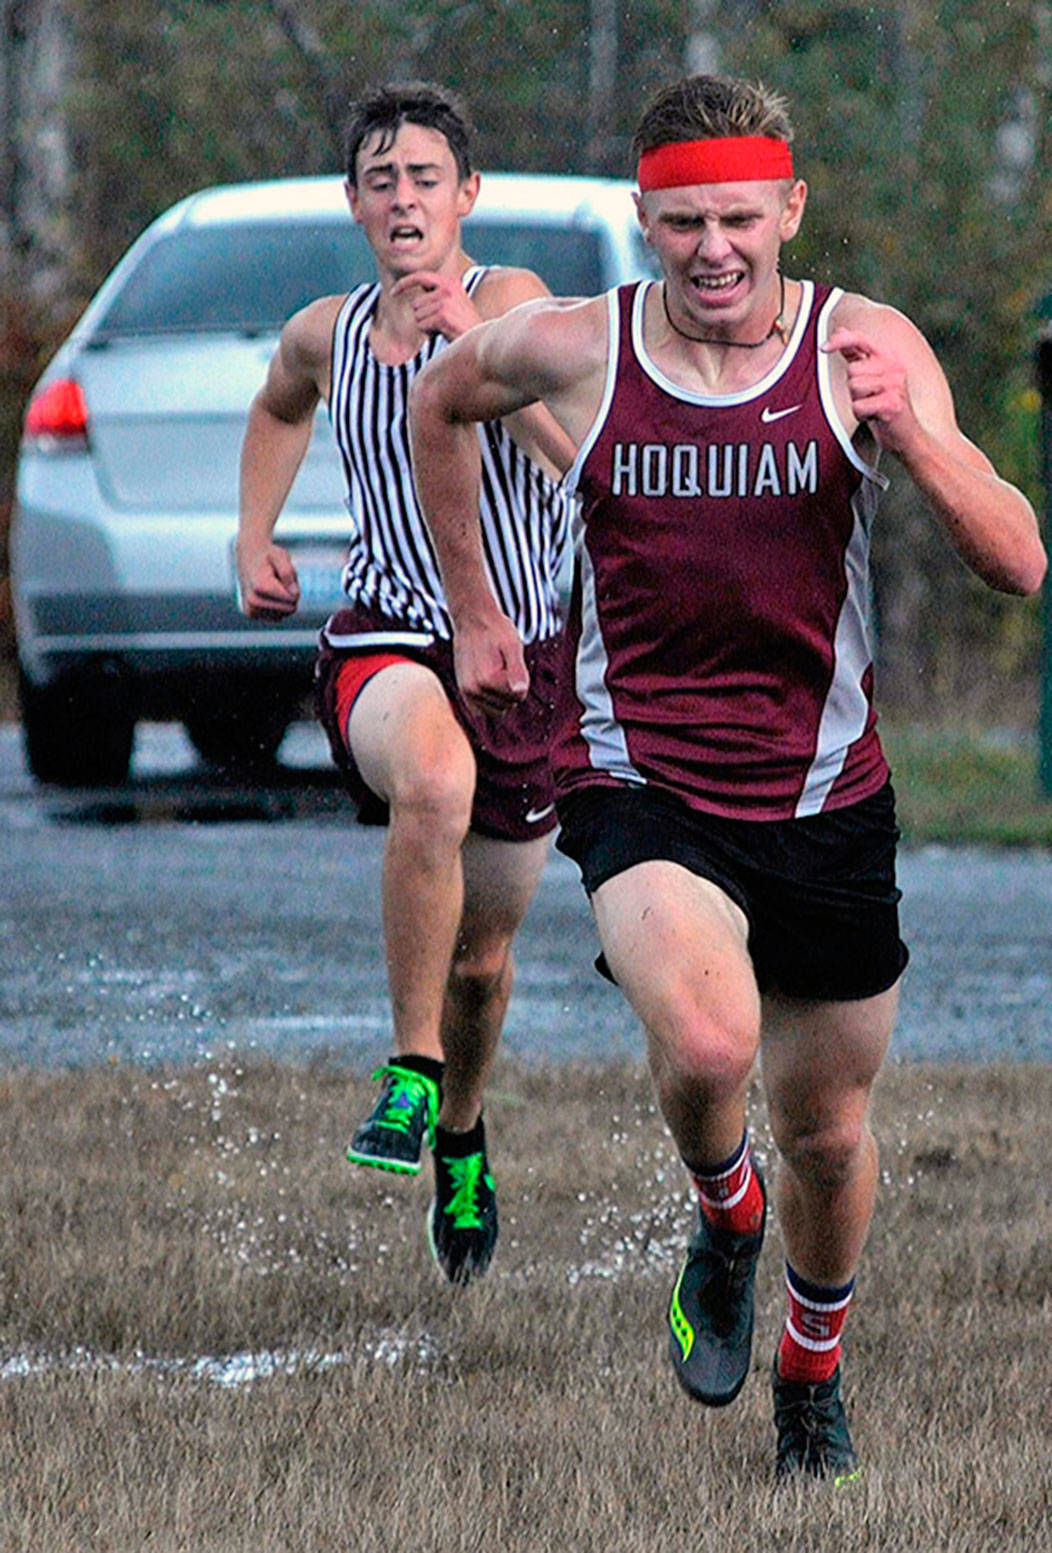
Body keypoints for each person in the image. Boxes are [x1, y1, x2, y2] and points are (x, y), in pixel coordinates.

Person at [407, 74, 1045, 1478]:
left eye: (740, 220)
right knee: (706, 1046)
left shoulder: (862, 345)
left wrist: (914, 436)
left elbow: (1019, 562)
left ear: (789, 210)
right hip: (640, 782)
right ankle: (723, 1210)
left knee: (827, 1134)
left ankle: (810, 1374)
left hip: (825, 800)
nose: (713, 249)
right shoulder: (577, 346)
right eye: (685, 222)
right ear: (645, 222)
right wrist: (476, 609)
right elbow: (438, 403)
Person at [236, 81, 573, 1283]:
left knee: (483, 961)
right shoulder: (326, 331)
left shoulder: (517, 305)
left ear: (466, 194)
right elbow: (278, 404)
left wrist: (475, 354)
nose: (403, 199)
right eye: (380, 180)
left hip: (520, 655)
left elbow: (573, 455)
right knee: (430, 782)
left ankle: (462, 1135)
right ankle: (411, 1068)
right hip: (385, 632)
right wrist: (251, 533)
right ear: (353, 202)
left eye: (424, 177)